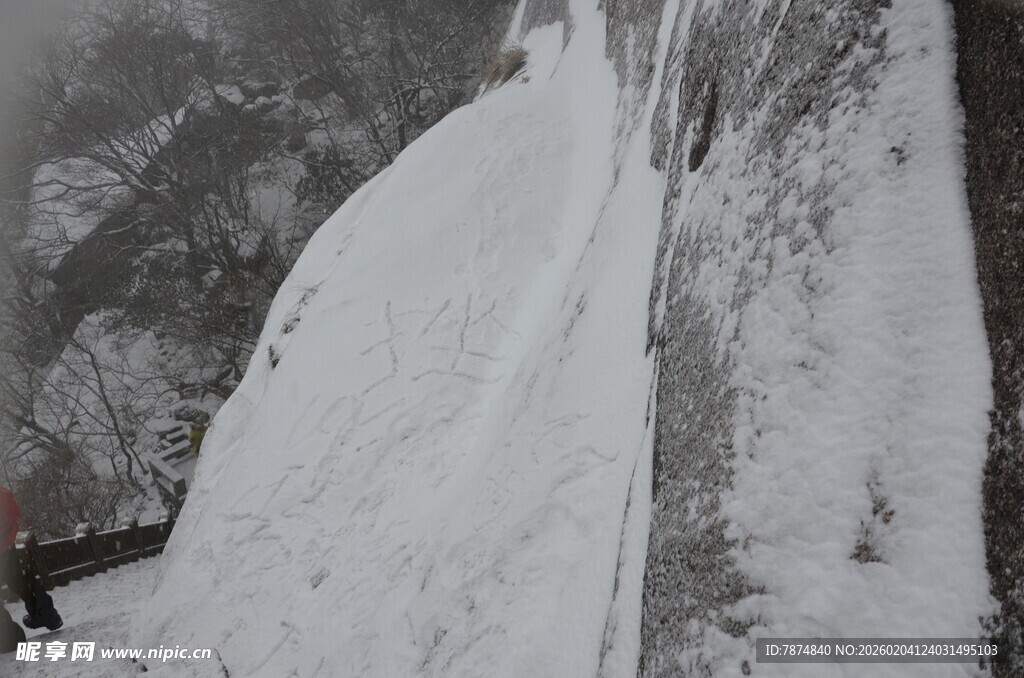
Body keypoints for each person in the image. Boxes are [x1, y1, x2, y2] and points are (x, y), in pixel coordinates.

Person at [0, 486, 62, 653]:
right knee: (20, 579)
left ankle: (8, 638)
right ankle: (45, 614)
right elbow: (14, 511)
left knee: (19, 578)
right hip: (5, 544)